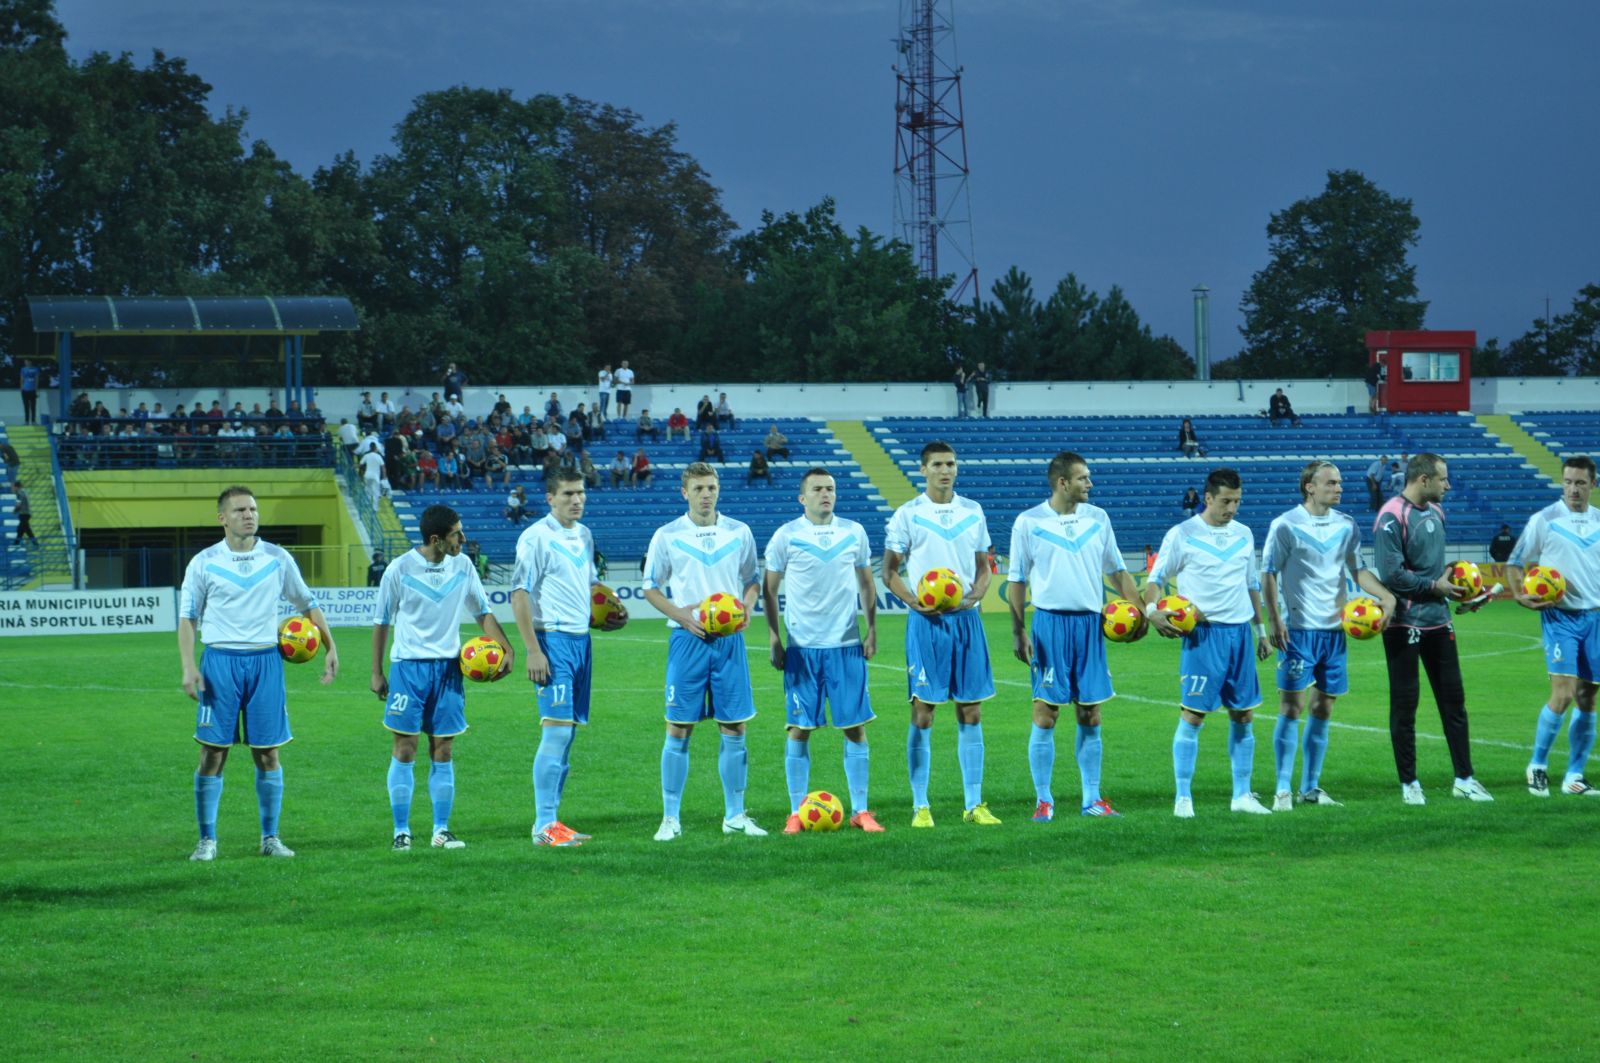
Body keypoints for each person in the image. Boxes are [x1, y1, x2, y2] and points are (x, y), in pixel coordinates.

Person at [178, 486, 339, 861]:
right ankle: (207, 840)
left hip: (266, 662)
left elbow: (308, 603)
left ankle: (270, 838)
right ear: (222, 518)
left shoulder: (277, 557)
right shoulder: (203, 562)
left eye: (252, 509)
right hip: (219, 663)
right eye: (239, 510)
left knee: (268, 753)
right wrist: (188, 666)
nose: (248, 515)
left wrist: (331, 647)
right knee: (212, 753)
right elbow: (188, 618)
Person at [1007, 452, 1144, 822]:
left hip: (1090, 624)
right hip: (1049, 625)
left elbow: (1116, 572)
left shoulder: (1098, 518)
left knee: (1091, 713)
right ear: (1062, 483)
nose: (1090, 484)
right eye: (1084, 478)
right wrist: (1019, 630)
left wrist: (1140, 612)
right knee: (1045, 713)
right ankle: (1043, 800)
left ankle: (1092, 799)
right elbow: (1017, 579)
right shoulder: (1029, 522)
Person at [372, 505, 511, 852]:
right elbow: (382, 621)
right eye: (456, 534)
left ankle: (441, 830)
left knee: (444, 748)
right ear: (436, 539)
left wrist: (507, 649)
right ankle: (401, 831)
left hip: (449, 670)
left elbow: (482, 613)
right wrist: (376, 671)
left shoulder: (463, 567)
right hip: (408, 668)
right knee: (405, 749)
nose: (463, 539)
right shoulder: (399, 569)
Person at [1260, 462, 1397, 810]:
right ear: (1310, 486)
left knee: (1323, 708)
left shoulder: (1347, 525)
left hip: (1335, 631)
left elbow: (1357, 569)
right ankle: (1281, 789)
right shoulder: (1286, 525)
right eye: (1331, 483)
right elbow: (1269, 574)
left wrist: (1385, 596)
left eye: (1339, 483)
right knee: (1292, 708)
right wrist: (1275, 620)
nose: (1339, 488)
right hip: (1298, 631)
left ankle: (1310, 787)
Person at [642, 462, 764, 841]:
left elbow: (752, 581)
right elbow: (650, 587)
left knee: (735, 726)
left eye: (711, 487)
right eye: (698, 489)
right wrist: (680, 614)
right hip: (687, 640)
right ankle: (671, 818)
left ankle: (735, 815)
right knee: (679, 727)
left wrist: (746, 608)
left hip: (729, 641)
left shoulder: (739, 532)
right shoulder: (667, 535)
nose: (706, 494)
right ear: (685, 493)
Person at [1143, 467, 1274, 817]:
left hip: (1240, 634)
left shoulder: (1244, 534)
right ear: (1208, 498)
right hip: (1203, 635)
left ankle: (1242, 795)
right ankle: (1183, 797)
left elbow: (1252, 585)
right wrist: (1151, 609)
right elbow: (1156, 579)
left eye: (1238, 501)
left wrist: (1261, 631)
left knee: (1244, 715)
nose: (1232, 509)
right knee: (1193, 715)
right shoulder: (1182, 533)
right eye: (1226, 501)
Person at [882, 441, 997, 827]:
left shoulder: (973, 511)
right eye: (937, 465)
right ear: (923, 469)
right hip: (926, 623)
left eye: (950, 464)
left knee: (972, 710)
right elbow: (889, 571)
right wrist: (914, 602)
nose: (945, 470)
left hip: (966, 620)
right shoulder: (908, 514)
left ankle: (974, 804)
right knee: (924, 712)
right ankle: (921, 806)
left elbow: (984, 566)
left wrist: (978, 594)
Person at [512, 470, 630, 847]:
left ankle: (554, 820)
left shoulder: (583, 534)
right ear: (550, 498)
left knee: (568, 737)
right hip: (552, 640)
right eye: (568, 494)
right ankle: (542, 825)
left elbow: (590, 584)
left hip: (581, 641)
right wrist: (533, 649)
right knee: (556, 731)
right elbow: (519, 595)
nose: (577, 500)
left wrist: (610, 609)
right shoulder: (535, 538)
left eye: (580, 493)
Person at [763, 468, 883, 834]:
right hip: (802, 648)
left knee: (855, 728)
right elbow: (769, 591)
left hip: (846, 645)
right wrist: (773, 637)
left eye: (830, 488)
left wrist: (872, 628)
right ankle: (797, 812)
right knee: (799, 730)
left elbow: (866, 583)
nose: (825, 494)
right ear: (803, 498)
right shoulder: (786, 536)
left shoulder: (854, 532)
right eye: (817, 489)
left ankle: (861, 811)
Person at [1373, 453, 1493, 804]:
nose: (1448, 485)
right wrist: (1435, 588)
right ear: (1423, 480)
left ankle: (1465, 778)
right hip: (1404, 624)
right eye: (1443, 479)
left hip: (1439, 622)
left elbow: (1436, 569)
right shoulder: (1391, 517)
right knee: (1405, 705)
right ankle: (1409, 783)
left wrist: (1464, 588)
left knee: (1454, 703)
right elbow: (1392, 574)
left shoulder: (1437, 512)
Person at [1506, 455, 1600, 798]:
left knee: (1588, 699)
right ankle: (1538, 765)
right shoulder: (1544, 520)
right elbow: (1515, 564)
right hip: (1560, 618)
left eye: (1580, 482)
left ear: (1593, 484)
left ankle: (1574, 775)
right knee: (1562, 696)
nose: (1573, 489)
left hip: (1596, 619)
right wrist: (1520, 596)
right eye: (1568, 482)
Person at [359, 442, 386, 508]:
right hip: (375, 476)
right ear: (375, 448)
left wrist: (357, 469)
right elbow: (383, 467)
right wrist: (384, 477)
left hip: (367, 475)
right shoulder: (378, 456)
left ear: (370, 448)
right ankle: (374, 508)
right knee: (376, 492)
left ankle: (366, 504)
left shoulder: (366, 455)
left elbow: (360, 464)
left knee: (367, 489)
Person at [19, 358, 39, 425]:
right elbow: (21, 379)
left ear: (30, 362)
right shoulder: (23, 369)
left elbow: (37, 380)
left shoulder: (35, 369)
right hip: (25, 390)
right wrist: (21, 388)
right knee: (26, 406)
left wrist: (36, 390)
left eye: (27, 362)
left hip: (32, 390)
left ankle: (33, 421)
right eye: (25, 362)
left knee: (33, 406)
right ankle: (26, 421)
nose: (25, 363)